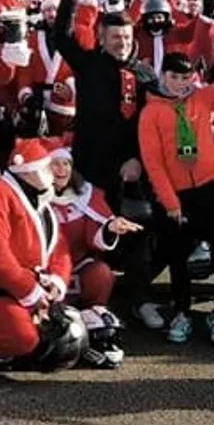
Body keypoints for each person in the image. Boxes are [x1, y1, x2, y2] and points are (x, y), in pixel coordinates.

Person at [55, 0, 163, 329]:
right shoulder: (89, 65)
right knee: (83, 232)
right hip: (89, 167)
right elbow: (60, 38)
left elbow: (157, 124)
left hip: (130, 172)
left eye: (127, 38)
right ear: (102, 38)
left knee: (136, 236)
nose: (121, 43)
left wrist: (139, 161)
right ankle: (76, 295)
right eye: (115, 37)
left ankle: (140, 300)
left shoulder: (147, 74)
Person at [0, 139, 139, 369]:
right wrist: (32, 293)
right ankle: (1, 348)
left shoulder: (40, 200)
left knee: (93, 287)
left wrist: (57, 282)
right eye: (47, 167)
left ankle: (60, 321)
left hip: (36, 283)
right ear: (28, 172)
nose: (54, 174)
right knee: (23, 338)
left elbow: (59, 248)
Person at [139, 41, 214, 348]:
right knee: (177, 257)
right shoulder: (151, 113)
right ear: (163, 77)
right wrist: (170, 201)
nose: (181, 83)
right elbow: (153, 162)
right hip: (177, 195)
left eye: (186, 78)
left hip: (210, 188)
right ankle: (182, 311)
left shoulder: (201, 99)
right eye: (174, 77)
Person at [48, 144, 142, 368]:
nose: (61, 169)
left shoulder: (87, 195)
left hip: (80, 265)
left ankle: (95, 322)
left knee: (101, 274)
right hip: (45, 272)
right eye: (55, 164)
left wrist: (110, 228)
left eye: (66, 163)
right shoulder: (32, 196)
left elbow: (95, 234)